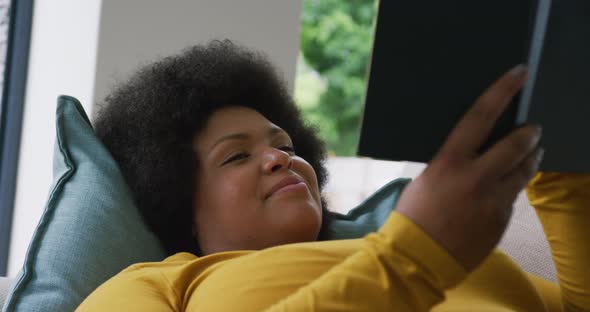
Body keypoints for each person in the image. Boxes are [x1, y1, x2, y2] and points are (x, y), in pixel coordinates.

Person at [77, 40, 589, 311]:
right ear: (180, 204)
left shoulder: (466, 255)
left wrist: (565, 166)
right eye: (236, 157)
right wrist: (414, 260)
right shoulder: (162, 283)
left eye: (285, 145)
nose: (280, 158)